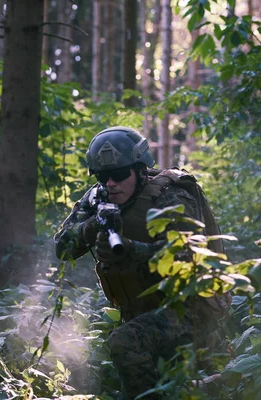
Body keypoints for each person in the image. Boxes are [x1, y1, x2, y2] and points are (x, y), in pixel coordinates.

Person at [54, 126, 228, 399]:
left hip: (188, 311)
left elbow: (188, 255)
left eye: (120, 175)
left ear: (140, 170)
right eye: (103, 176)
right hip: (141, 314)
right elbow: (62, 247)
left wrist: (133, 251)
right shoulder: (98, 197)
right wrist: (91, 227)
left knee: (124, 343)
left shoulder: (170, 195)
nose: (111, 183)